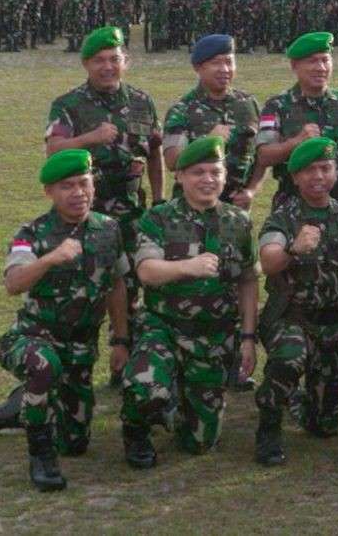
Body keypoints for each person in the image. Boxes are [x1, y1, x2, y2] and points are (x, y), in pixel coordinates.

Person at [0, 150, 130, 490]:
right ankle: (41, 455)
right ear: (49, 193)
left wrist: (121, 339)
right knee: (44, 366)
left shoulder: (109, 229)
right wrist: (50, 259)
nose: (78, 192)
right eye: (67, 186)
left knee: (76, 443)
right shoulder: (31, 233)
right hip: (34, 337)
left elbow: (117, 284)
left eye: (84, 183)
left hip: (80, 347)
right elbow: (14, 283)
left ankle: (16, 408)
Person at [120, 136, 258, 468]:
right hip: (164, 327)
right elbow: (147, 272)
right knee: (145, 387)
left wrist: (248, 338)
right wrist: (187, 268)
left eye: (215, 172)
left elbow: (248, 280)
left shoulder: (238, 222)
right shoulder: (159, 218)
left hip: (212, 336)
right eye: (198, 172)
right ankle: (136, 430)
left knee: (200, 443)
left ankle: (178, 406)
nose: (208, 180)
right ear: (180, 176)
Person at [44, 26, 162, 385]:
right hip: (83, 216)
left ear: (125, 61)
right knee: (83, 291)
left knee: (129, 288)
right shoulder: (69, 104)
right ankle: (73, 369)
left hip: (130, 212)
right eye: (99, 61)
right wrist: (90, 138)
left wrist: (158, 199)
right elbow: (53, 149)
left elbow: (154, 152)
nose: (107, 66)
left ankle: (122, 364)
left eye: (114, 59)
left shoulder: (142, 100)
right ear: (86, 64)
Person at [252, 136, 338, 464]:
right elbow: (268, 261)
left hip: (335, 322)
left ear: (336, 172)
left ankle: (304, 403)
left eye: (325, 168)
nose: (318, 176)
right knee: (289, 357)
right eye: (309, 170)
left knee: (325, 426)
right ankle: (269, 426)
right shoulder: (283, 217)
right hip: (294, 318)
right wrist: (292, 249)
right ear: (295, 177)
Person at [254, 31, 338, 214]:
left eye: (325, 60)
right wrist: (295, 143)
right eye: (312, 61)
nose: (321, 68)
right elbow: (264, 156)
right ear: (295, 65)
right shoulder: (277, 106)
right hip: (291, 212)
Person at [162, 35, 260, 214]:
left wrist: (251, 190)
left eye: (229, 62)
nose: (224, 69)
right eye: (216, 63)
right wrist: (208, 140)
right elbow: (172, 161)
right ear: (198, 68)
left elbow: (260, 154)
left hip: (235, 212)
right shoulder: (182, 110)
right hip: (190, 212)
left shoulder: (248, 104)